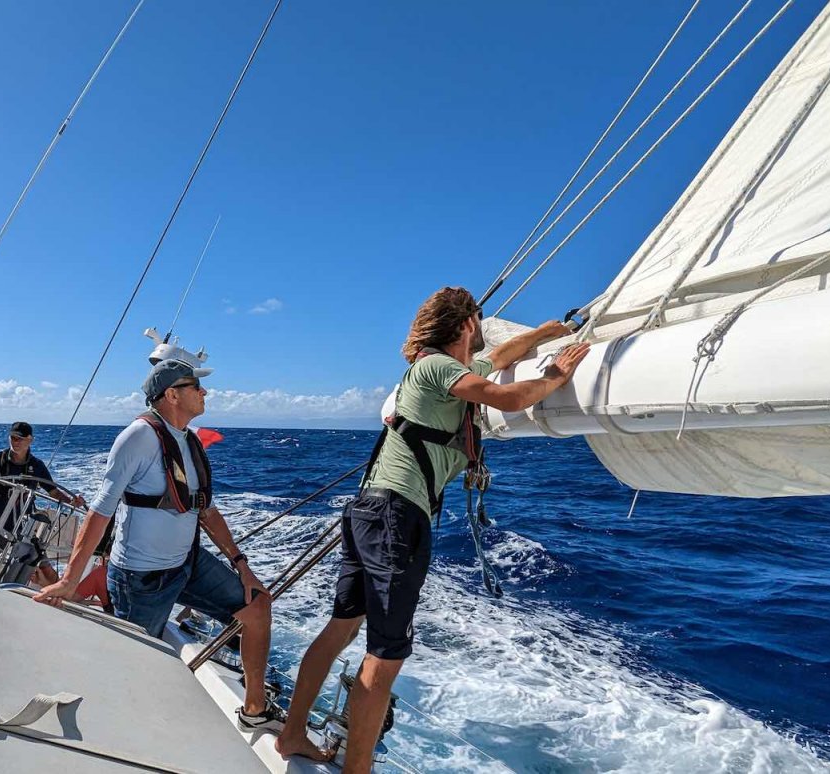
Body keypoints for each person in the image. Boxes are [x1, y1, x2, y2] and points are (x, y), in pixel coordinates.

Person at [274, 287, 591, 769]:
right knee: (385, 654)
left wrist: (545, 332)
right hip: (398, 517)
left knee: (341, 628)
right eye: (478, 322)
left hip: (370, 510)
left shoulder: (435, 369)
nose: (483, 331)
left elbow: (499, 357)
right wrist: (555, 374)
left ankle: (292, 735)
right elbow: (506, 397)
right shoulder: (440, 367)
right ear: (466, 325)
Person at [35, 359, 282, 732]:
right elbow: (100, 512)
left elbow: (207, 512)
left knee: (258, 605)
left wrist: (241, 564)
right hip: (141, 578)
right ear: (171, 395)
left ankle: (255, 710)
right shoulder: (138, 437)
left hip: (187, 563)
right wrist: (71, 579)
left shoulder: (188, 440)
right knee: (130, 668)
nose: (204, 392)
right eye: (195, 386)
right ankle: (98, 730)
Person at [0, 421, 85, 601]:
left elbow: (53, 492)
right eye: (13, 437)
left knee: (47, 571)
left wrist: (72, 501)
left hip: (24, 530)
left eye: (20, 438)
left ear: (30, 440)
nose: (16, 441)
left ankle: (62, 606)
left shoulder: (37, 466)